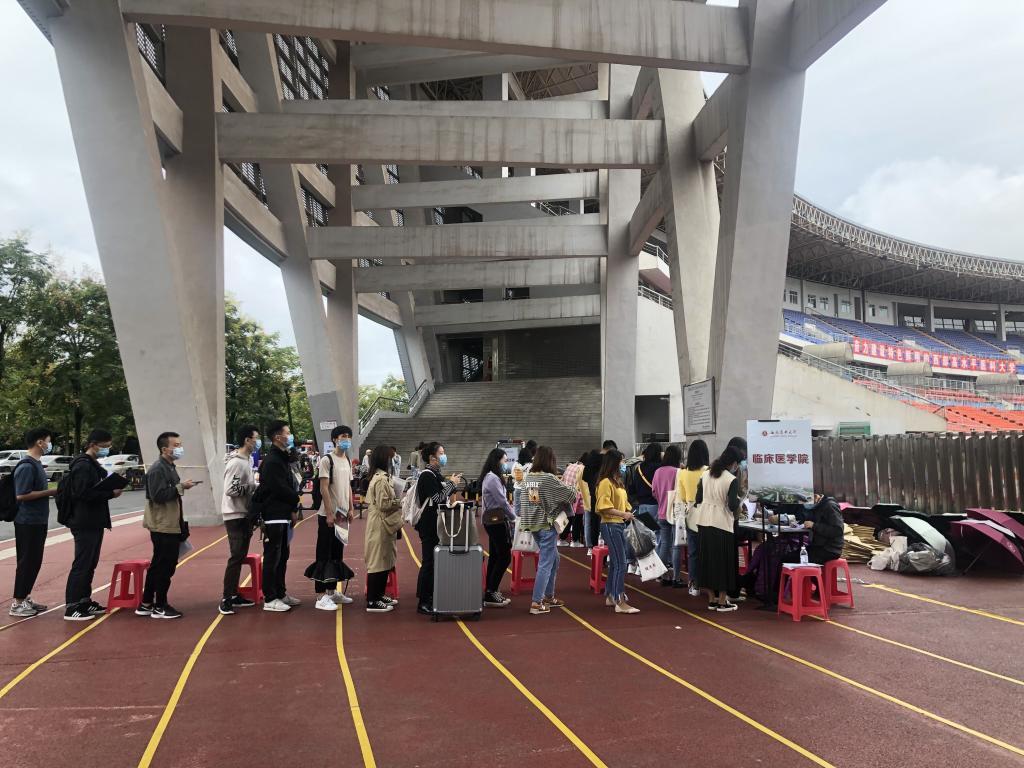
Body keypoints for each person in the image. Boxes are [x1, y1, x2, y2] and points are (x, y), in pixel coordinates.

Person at [63, 429, 123, 621]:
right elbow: (82, 493)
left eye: (109, 446)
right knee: (82, 563)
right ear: (93, 444)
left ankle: (84, 600)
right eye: (104, 446)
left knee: (90, 562)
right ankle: (72, 605)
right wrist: (109, 493)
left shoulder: (92, 464)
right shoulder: (83, 465)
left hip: (93, 520)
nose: (107, 449)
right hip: (84, 520)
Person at [138, 432, 196, 619]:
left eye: (180, 444)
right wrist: (181, 487)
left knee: (159, 564)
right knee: (165, 566)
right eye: (176, 445)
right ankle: (160, 605)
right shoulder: (158, 469)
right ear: (164, 449)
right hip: (162, 525)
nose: (180, 448)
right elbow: (158, 495)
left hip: (170, 522)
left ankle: (146, 603)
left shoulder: (169, 467)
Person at [518, 446, 577, 615]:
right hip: (547, 525)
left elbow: (534, 500)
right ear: (550, 460)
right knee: (546, 563)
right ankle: (537, 602)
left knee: (554, 559)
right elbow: (570, 495)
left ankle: (549, 596)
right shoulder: (549, 478)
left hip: (534, 525)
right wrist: (572, 485)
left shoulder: (529, 477)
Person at [8, 428, 58, 618]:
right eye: (48, 441)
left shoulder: (36, 464)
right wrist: (51, 492)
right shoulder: (27, 466)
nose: (49, 444)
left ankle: (25, 596)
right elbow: (21, 494)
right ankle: (18, 603)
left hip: (37, 520)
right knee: (27, 561)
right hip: (27, 521)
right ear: (39, 442)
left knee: (34, 561)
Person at [309, 425, 356, 611]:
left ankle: (332, 591)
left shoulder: (346, 460)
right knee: (324, 554)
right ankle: (320, 596)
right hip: (328, 515)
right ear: (335, 439)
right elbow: (324, 488)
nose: (347, 439)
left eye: (349, 436)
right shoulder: (327, 460)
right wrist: (329, 513)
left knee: (337, 554)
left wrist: (351, 507)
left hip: (342, 515)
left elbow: (348, 486)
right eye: (344, 436)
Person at [693, 446, 744, 612]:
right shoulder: (731, 479)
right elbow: (732, 505)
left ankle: (711, 599)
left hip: (703, 520)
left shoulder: (706, 474)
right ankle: (722, 600)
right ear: (734, 463)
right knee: (723, 562)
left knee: (707, 560)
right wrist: (740, 500)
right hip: (721, 523)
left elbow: (698, 498)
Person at [259, 420, 302, 612]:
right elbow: (279, 488)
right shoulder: (272, 461)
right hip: (274, 514)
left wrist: (292, 507)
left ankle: (280, 592)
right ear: (278, 437)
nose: (290, 436)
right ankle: (270, 598)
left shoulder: (283, 458)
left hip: (283, 513)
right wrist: (295, 500)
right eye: (287, 433)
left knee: (283, 555)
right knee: (273, 556)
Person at [414, 442, 460, 615]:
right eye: (441, 453)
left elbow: (445, 497)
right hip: (429, 524)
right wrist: (451, 484)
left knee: (434, 561)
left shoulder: (436, 474)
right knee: (428, 562)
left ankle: (431, 595)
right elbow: (438, 498)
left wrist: (451, 486)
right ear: (432, 457)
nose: (443, 456)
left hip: (437, 523)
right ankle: (423, 601)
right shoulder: (427, 475)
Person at [219, 424, 260, 616]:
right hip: (234, 515)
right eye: (256, 438)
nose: (257, 442)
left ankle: (234, 594)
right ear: (247, 440)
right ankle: (226, 598)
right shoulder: (236, 463)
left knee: (240, 555)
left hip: (243, 513)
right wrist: (253, 487)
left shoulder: (247, 460)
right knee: (236, 556)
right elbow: (231, 489)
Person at [595, 450, 639, 614]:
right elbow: (603, 507)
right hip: (610, 524)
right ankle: (619, 600)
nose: (624, 464)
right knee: (620, 563)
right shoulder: (605, 482)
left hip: (618, 524)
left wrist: (628, 513)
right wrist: (623, 514)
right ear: (614, 463)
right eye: (621, 461)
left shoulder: (617, 482)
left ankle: (611, 595)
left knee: (616, 563)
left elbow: (624, 503)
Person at [364, 445, 404, 613]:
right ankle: (372, 600)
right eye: (390, 458)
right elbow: (384, 504)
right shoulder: (381, 479)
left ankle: (379, 595)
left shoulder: (381, 477)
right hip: (380, 524)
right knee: (377, 562)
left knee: (385, 560)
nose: (392, 461)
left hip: (383, 524)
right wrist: (400, 501)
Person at [479, 448, 514, 607]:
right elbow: (502, 501)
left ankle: (490, 591)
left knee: (495, 555)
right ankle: (491, 590)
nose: (506, 464)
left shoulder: (490, 476)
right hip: (496, 521)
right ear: (497, 461)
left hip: (493, 521)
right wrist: (514, 517)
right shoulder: (492, 478)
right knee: (505, 556)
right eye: (504, 461)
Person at [678, 439, 710, 596]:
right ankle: (710, 584)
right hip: (708, 514)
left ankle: (694, 585)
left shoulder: (683, 473)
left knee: (693, 552)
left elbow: (682, 497)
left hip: (690, 515)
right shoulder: (708, 471)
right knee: (709, 552)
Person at [651, 443, 684, 588]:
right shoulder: (678, 472)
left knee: (664, 543)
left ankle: (663, 575)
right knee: (676, 546)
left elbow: (654, 492)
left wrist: (662, 501)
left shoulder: (658, 471)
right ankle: (676, 577)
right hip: (676, 513)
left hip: (662, 512)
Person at [628, 442, 661, 531]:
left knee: (645, 532)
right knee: (656, 532)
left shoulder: (639, 467)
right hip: (655, 504)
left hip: (642, 505)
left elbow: (634, 486)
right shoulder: (659, 468)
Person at [558, 454, 589, 548]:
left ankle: (562, 539)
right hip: (577, 496)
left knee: (567, 518)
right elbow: (582, 484)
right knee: (577, 519)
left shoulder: (570, 466)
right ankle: (575, 541)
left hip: (566, 494)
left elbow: (562, 479)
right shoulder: (582, 468)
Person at [581, 449, 602, 554]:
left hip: (589, 499)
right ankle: (601, 548)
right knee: (601, 524)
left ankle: (591, 547)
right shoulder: (601, 471)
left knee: (590, 524)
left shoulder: (586, 469)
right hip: (600, 499)